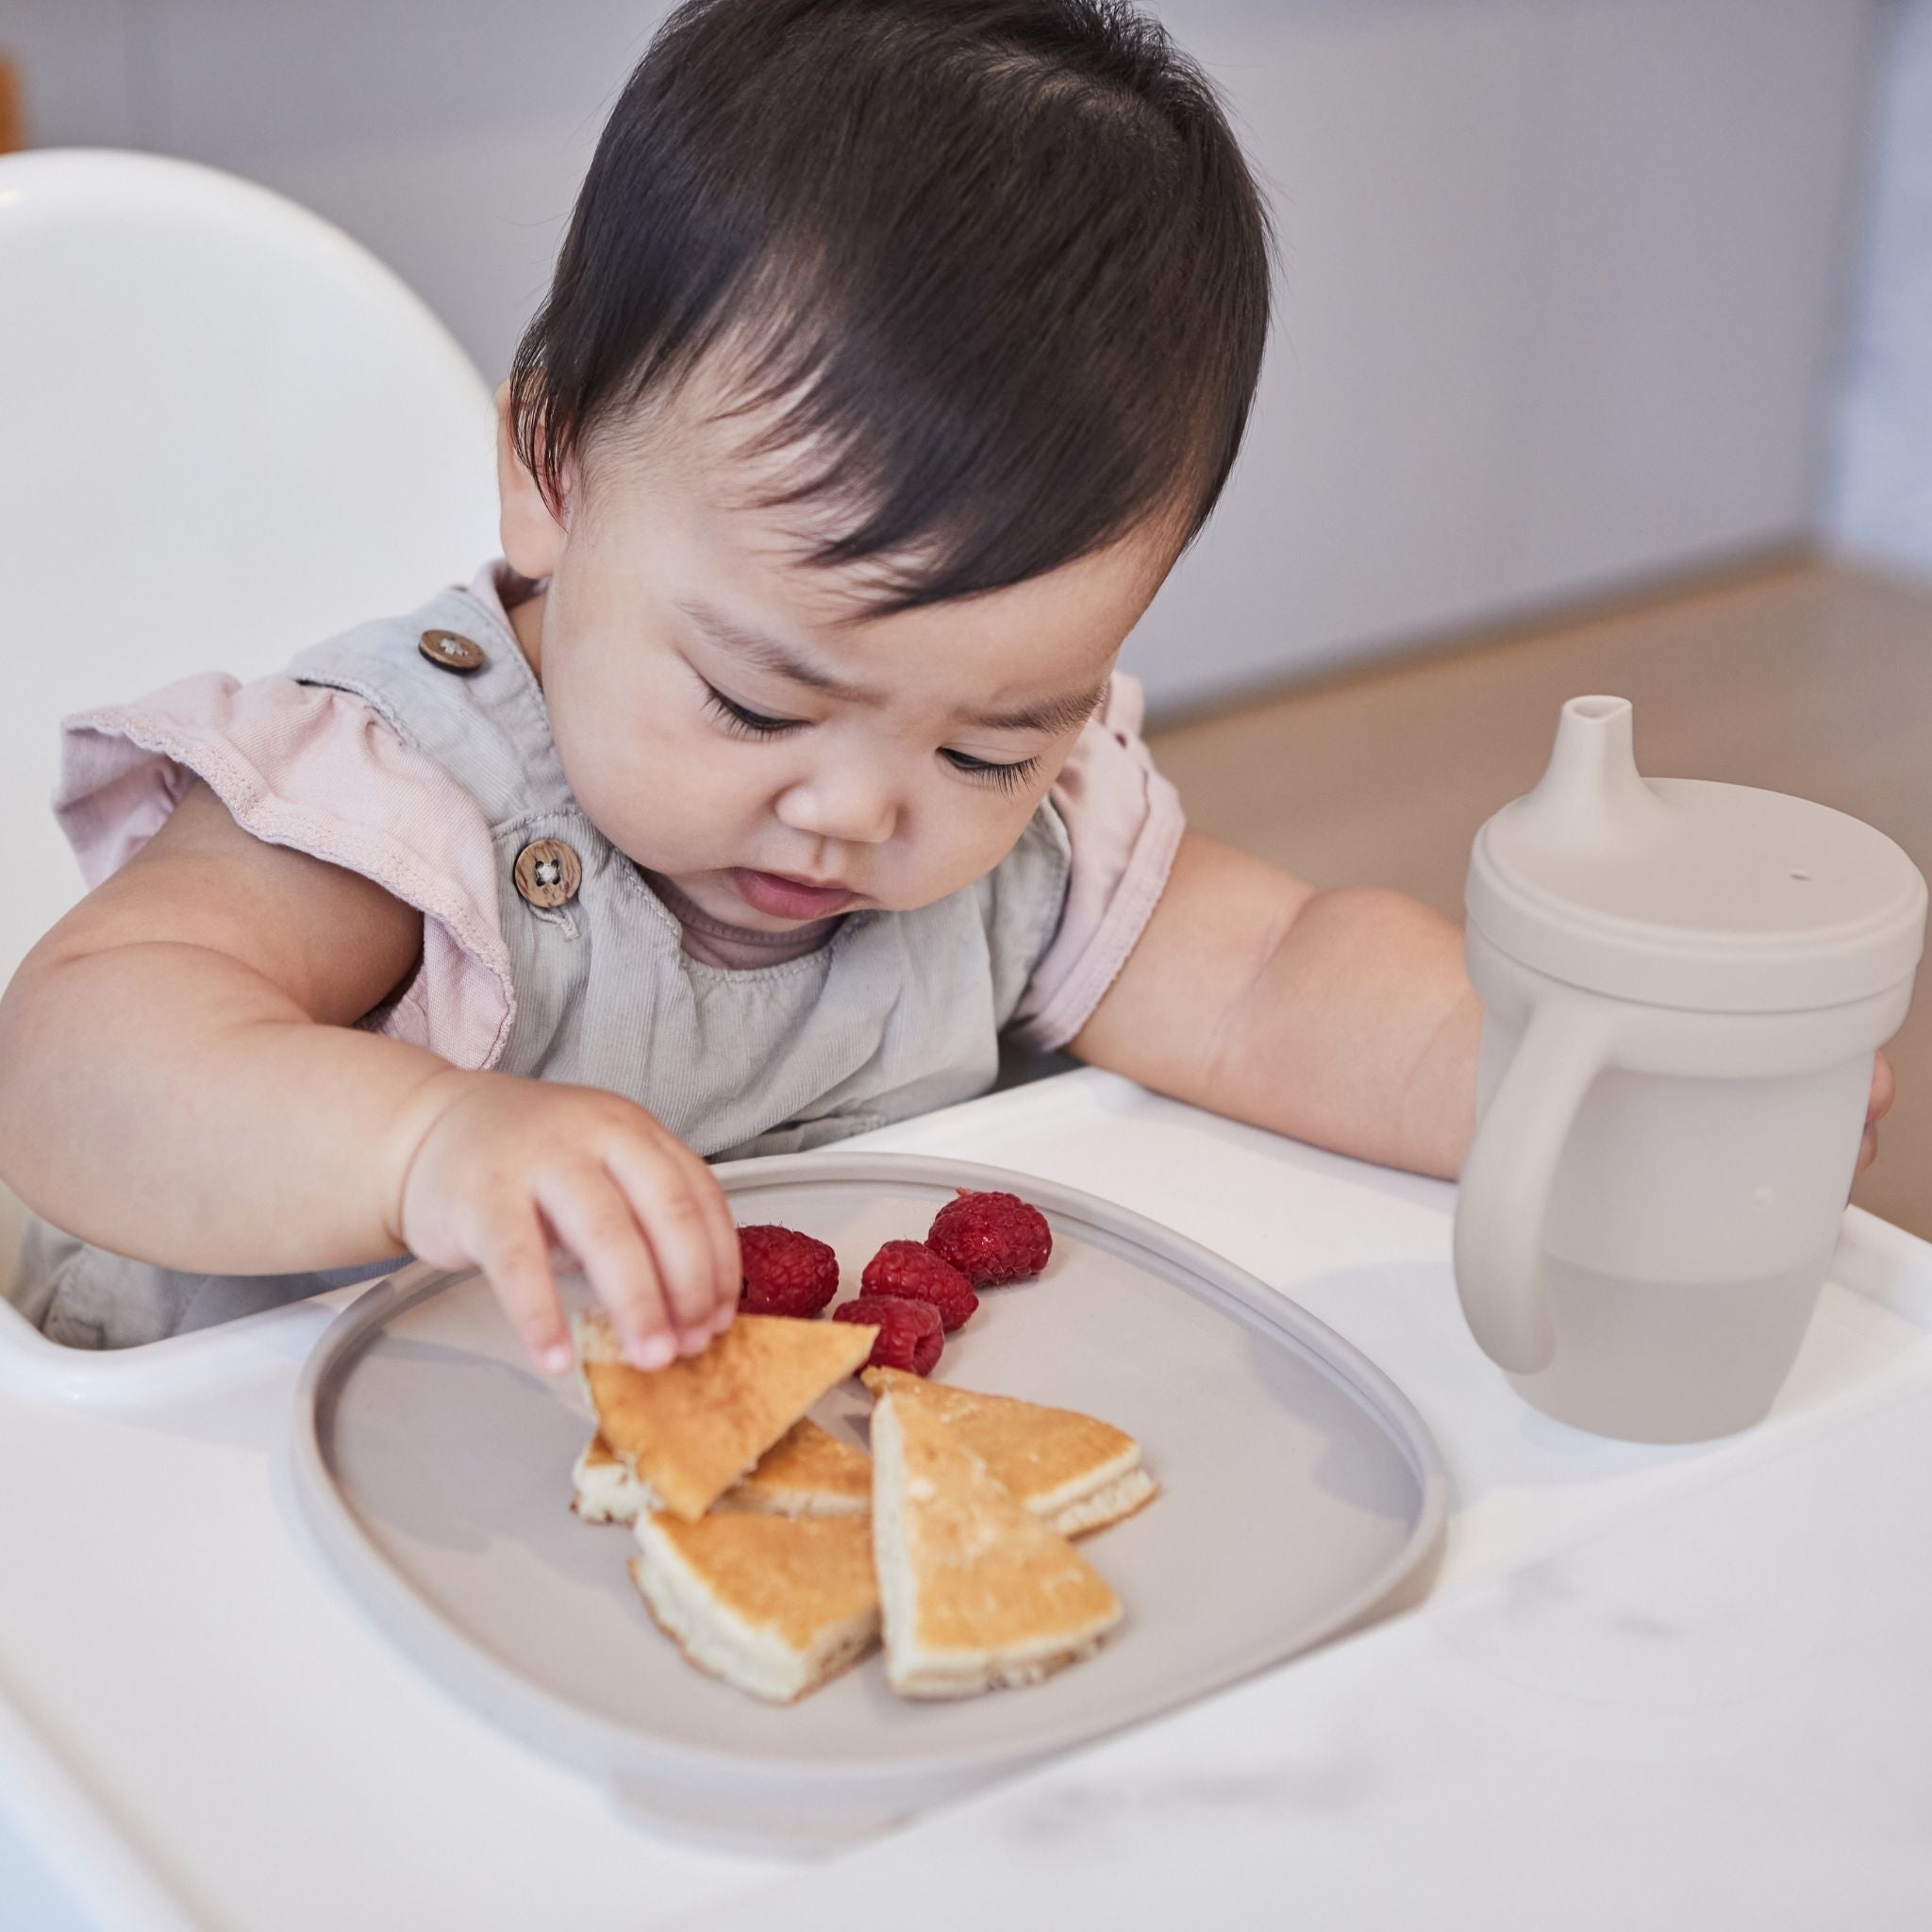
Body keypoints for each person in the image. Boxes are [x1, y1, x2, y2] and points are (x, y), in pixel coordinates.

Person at [0, 0, 1891, 1367]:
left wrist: (1576, 1096)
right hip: (220, 1479)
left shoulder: (1013, 852)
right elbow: (77, 1065)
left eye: (996, 736)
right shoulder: (400, 799)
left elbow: (1275, 977)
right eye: (758, 706)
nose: (863, 813)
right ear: (549, 471)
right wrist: (421, 1141)